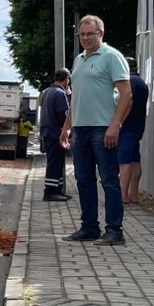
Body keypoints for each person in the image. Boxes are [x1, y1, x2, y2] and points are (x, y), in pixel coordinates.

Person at [60, 15, 131, 245]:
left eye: (91, 33)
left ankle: (115, 230)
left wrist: (116, 124)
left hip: (103, 128)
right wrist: (66, 128)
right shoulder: (79, 61)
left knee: (109, 180)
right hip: (81, 129)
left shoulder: (112, 57)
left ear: (101, 34)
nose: (86, 38)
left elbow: (127, 95)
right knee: (83, 179)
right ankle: (89, 227)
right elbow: (76, 99)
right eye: (82, 34)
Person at [119, 57, 150, 203]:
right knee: (135, 160)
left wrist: (119, 122)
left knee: (124, 161)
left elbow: (128, 102)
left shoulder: (129, 82)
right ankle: (134, 194)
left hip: (127, 127)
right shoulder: (142, 83)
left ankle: (123, 196)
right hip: (138, 127)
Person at [40, 68, 71, 201]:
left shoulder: (48, 91)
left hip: (48, 131)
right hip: (56, 133)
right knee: (55, 163)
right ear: (67, 79)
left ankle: (57, 189)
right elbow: (63, 115)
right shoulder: (59, 94)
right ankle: (51, 192)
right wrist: (67, 130)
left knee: (55, 162)